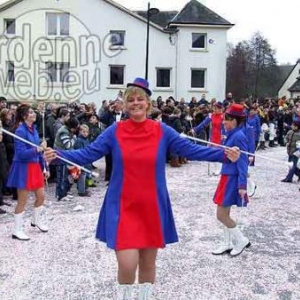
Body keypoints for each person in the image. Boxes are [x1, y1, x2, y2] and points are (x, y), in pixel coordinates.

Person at [44, 77, 240, 300]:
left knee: (148, 263)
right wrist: (58, 155)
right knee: (127, 264)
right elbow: (88, 153)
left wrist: (223, 154)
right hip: (122, 205)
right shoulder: (114, 131)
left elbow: (191, 150)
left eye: (140, 99)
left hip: (151, 205)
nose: (135, 103)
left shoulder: (162, 131)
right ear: (125, 105)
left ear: (148, 103)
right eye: (131, 100)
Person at [212, 103, 250, 257]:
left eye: (226, 120)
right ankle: (227, 243)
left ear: (234, 121)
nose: (223, 122)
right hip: (226, 176)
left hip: (232, 179)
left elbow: (243, 162)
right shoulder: (232, 134)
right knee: (225, 214)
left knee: (221, 215)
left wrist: (242, 185)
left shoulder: (239, 136)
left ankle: (241, 240)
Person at [6, 104, 49, 241]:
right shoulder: (20, 131)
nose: (34, 114)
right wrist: (37, 149)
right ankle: (17, 230)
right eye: (30, 113)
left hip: (35, 166)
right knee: (22, 201)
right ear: (24, 116)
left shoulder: (34, 130)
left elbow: (39, 152)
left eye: (33, 112)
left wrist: (45, 167)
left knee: (41, 196)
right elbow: (20, 154)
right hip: (23, 168)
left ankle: (36, 220)